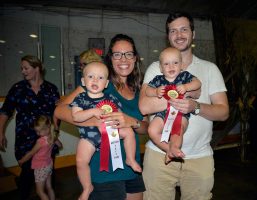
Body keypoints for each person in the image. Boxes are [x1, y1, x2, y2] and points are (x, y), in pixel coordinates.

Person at [139, 12, 229, 200]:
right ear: (168, 36)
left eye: (184, 29)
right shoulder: (157, 68)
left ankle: (174, 147)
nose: (179, 35)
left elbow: (223, 112)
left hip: (199, 158)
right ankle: (168, 149)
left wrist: (194, 106)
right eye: (173, 31)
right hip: (158, 159)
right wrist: (175, 97)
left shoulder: (209, 69)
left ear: (193, 34)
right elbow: (144, 107)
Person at [54, 33, 148, 200]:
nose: (123, 59)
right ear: (110, 59)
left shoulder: (139, 90)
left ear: (135, 58)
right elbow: (59, 110)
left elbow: (144, 128)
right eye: (117, 54)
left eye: (128, 54)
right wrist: (95, 120)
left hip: (131, 169)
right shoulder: (99, 82)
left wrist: (131, 121)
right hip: (104, 172)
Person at [70, 61, 142, 200]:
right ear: (83, 81)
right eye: (91, 77)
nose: (95, 80)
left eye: (100, 77)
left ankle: (130, 159)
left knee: (129, 132)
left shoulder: (111, 98)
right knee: (80, 160)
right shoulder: (80, 98)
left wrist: (120, 121)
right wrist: (93, 111)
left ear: (106, 83)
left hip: (111, 131)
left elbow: (120, 114)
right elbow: (76, 116)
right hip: (89, 136)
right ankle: (87, 187)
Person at [0, 55, 60, 200]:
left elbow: (57, 113)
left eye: (26, 68)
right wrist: (0, 132)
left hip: (47, 141)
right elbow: (5, 111)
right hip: (24, 141)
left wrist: (54, 133)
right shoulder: (18, 89)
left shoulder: (51, 89)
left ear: (37, 68)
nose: (23, 71)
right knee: (26, 176)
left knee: (48, 179)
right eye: (22, 68)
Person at [145, 47, 201, 164]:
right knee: (152, 130)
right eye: (166, 64)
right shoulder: (158, 80)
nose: (171, 66)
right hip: (162, 113)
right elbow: (147, 90)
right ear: (161, 68)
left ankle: (174, 147)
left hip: (181, 112)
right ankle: (169, 149)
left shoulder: (185, 76)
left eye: (175, 63)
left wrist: (186, 87)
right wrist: (155, 92)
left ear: (181, 65)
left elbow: (197, 83)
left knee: (178, 130)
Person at [18, 115, 62, 200]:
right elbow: (60, 145)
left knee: (40, 191)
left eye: (39, 131)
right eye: (36, 131)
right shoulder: (53, 137)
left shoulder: (40, 141)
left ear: (47, 128)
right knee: (49, 187)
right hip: (49, 165)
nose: (37, 134)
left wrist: (21, 161)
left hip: (40, 167)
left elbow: (31, 153)